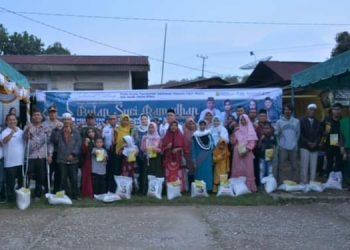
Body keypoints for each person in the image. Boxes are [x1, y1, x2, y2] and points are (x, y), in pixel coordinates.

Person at [50, 113, 81, 200]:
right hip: (62, 160)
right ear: (62, 121)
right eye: (65, 119)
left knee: (74, 179)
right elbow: (53, 141)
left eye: (68, 119)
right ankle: (66, 195)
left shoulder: (76, 132)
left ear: (71, 121)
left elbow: (78, 144)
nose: (66, 121)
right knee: (63, 179)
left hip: (73, 160)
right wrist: (56, 130)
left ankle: (75, 195)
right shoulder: (58, 131)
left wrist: (73, 154)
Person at [23, 108, 51, 201]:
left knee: (40, 175)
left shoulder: (46, 128)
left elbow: (49, 143)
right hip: (30, 155)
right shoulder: (27, 126)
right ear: (32, 117)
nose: (37, 116)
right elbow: (24, 138)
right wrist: (27, 129)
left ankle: (37, 195)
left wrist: (50, 154)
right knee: (28, 175)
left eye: (38, 115)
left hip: (42, 155)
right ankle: (26, 193)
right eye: (35, 115)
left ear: (41, 116)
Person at [0, 114, 25, 202]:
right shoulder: (4, 132)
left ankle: (21, 198)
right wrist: (11, 133)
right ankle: (11, 198)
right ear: (7, 122)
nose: (12, 122)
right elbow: (4, 141)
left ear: (16, 121)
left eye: (14, 119)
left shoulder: (21, 131)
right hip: (9, 162)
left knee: (21, 182)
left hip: (20, 161)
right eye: (10, 120)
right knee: (10, 183)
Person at [231, 114, 258, 192]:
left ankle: (249, 187)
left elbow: (253, 142)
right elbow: (233, 142)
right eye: (241, 120)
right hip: (237, 152)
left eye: (244, 119)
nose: (243, 121)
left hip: (247, 152)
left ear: (247, 120)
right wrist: (234, 133)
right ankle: (238, 188)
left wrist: (247, 149)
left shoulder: (251, 129)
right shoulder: (238, 130)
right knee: (237, 168)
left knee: (248, 169)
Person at [276, 104, 300, 183]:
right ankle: (281, 182)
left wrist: (295, 143)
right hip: (283, 147)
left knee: (295, 166)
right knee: (281, 166)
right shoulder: (279, 122)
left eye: (289, 110)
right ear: (283, 111)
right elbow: (277, 134)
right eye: (286, 110)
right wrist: (279, 144)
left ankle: (294, 181)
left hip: (293, 147)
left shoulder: (296, 121)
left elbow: (298, 134)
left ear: (292, 111)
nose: (287, 111)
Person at [43, 105, 63, 193]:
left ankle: (56, 190)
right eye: (51, 112)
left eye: (54, 112)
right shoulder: (44, 124)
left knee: (58, 172)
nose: (52, 114)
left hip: (58, 152)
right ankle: (47, 190)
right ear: (48, 113)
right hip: (47, 151)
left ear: (56, 113)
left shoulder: (61, 124)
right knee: (48, 172)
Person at [299, 104, 322, 184]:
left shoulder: (318, 122)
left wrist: (315, 143)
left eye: (313, 110)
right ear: (307, 110)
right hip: (304, 146)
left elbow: (320, 134)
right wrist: (307, 142)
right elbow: (300, 134)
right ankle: (304, 182)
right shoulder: (301, 120)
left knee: (313, 166)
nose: (312, 111)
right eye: (310, 109)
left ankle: (312, 182)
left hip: (314, 147)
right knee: (304, 166)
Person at [162, 121, 186, 191]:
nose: (174, 127)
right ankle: (169, 189)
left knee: (178, 174)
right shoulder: (167, 135)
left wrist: (177, 149)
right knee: (168, 174)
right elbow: (162, 147)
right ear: (170, 126)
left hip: (178, 159)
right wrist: (167, 147)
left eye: (175, 125)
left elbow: (184, 147)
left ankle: (178, 189)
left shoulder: (180, 135)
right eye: (172, 125)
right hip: (168, 159)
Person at [191, 120, 215, 192]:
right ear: (198, 126)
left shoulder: (209, 134)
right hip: (199, 158)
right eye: (201, 125)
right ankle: (199, 189)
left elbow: (212, 145)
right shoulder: (195, 136)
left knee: (208, 173)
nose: (202, 126)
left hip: (208, 158)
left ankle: (208, 188)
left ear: (206, 126)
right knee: (199, 173)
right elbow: (193, 148)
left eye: (204, 125)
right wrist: (194, 159)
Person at [321, 103, 344, 176]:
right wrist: (322, 139)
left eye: (338, 109)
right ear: (332, 110)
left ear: (341, 111)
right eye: (335, 109)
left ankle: (338, 179)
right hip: (329, 145)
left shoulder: (343, 121)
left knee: (339, 163)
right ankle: (329, 179)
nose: (336, 111)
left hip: (340, 145)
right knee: (329, 162)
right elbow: (321, 131)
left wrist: (341, 144)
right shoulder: (327, 120)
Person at [140, 122, 163, 194]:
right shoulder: (145, 137)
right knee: (146, 175)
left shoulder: (159, 138)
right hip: (147, 158)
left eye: (152, 127)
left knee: (154, 174)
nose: (151, 129)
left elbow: (161, 150)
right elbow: (142, 148)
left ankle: (155, 191)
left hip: (156, 159)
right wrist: (146, 147)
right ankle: (146, 191)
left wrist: (155, 149)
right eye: (149, 127)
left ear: (155, 128)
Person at [134, 114, 150, 192]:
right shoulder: (137, 129)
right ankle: (140, 189)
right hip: (138, 153)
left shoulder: (150, 129)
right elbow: (135, 141)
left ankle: (145, 189)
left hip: (148, 154)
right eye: (142, 119)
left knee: (145, 172)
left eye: (145, 119)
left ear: (148, 120)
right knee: (139, 171)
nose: (143, 121)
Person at [114, 114, 132, 185]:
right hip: (118, 152)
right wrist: (120, 148)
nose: (125, 122)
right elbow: (115, 141)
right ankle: (118, 187)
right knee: (118, 170)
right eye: (123, 120)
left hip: (128, 153)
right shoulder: (117, 129)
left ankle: (127, 187)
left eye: (127, 120)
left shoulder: (130, 129)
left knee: (128, 170)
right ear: (121, 120)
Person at [102, 114, 118, 193]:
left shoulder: (120, 128)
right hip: (108, 151)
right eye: (111, 119)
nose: (112, 120)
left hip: (117, 153)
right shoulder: (105, 129)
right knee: (108, 171)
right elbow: (102, 141)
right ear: (108, 120)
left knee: (116, 171)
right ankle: (107, 189)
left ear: (117, 120)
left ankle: (115, 189)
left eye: (114, 119)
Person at [81, 128, 97, 198]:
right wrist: (86, 143)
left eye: (92, 131)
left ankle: (97, 192)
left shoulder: (98, 140)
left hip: (97, 161)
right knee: (87, 177)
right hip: (88, 160)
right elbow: (83, 152)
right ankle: (87, 193)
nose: (91, 133)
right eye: (89, 132)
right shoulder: (85, 140)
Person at [183, 117, 197, 189]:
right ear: (186, 124)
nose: (191, 124)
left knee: (195, 168)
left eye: (192, 123)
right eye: (189, 123)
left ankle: (196, 185)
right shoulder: (184, 132)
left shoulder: (197, 131)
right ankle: (190, 186)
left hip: (196, 153)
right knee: (189, 169)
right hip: (187, 154)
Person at [340, 105, 350, 189]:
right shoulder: (343, 121)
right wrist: (341, 146)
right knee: (346, 165)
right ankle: (345, 182)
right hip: (347, 147)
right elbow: (341, 135)